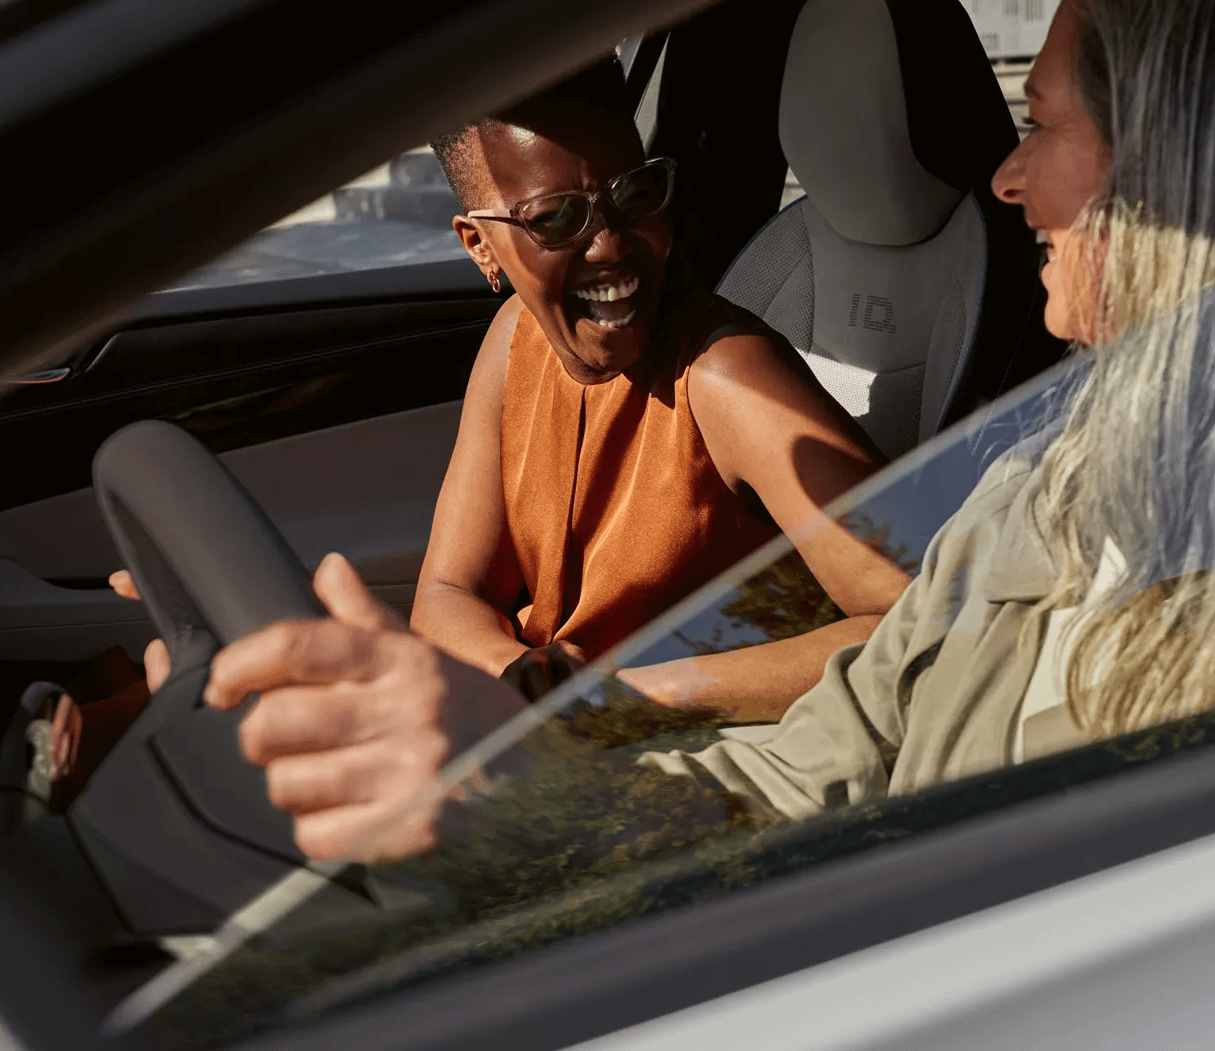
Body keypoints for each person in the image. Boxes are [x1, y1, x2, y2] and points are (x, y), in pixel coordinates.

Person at [197, 0, 1215, 858]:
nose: (1004, 173)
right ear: (480, 245)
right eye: (551, 221)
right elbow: (817, 765)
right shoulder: (1055, 480)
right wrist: (524, 791)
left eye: (1040, 125)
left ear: (1184, 167)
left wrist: (586, 714)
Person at [106, 59, 911, 731]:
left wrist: (623, 697)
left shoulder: (725, 377)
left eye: (635, 194)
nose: (610, 243)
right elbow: (449, 592)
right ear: (480, 246)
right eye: (556, 218)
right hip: (563, 741)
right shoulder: (513, 341)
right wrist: (524, 679)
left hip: (680, 761)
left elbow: (919, 621)